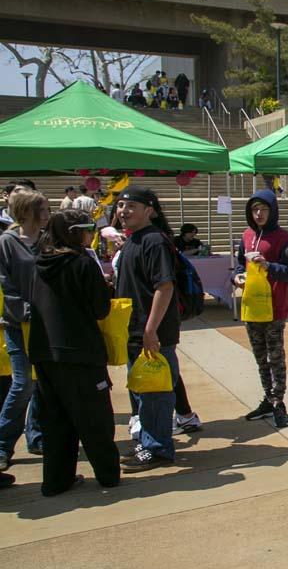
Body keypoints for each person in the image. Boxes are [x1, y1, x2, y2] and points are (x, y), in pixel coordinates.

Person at [27, 209, 119, 496]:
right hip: (81, 353)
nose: (90, 235)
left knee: (55, 420)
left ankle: (56, 481)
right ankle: (107, 475)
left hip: (44, 353)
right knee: (95, 419)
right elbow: (100, 308)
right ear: (74, 232)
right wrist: (105, 288)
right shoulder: (81, 262)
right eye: (86, 229)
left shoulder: (39, 261)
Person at [114, 186, 185, 471]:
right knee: (142, 390)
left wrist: (150, 330)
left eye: (131, 206)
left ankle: (158, 449)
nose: (123, 211)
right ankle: (147, 442)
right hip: (135, 331)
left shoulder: (154, 241)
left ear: (150, 211)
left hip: (152, 333)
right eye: (120, 205)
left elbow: (164, 287)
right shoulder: (133, 240)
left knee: (156, 393)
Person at [0, 188, 49, 470]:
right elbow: (5, 284)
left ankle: (37, 436)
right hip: (18, 323)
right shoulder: (7, 241)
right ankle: (3, 443)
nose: (47, 214)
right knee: (22, 384)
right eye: (42, 209)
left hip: (46, 324)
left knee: (41, 382)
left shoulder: (46, 239)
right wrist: (25, 311)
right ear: (27, 211)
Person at [236, 191, 288, 430]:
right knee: (260, 356)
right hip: (251, 306)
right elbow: (240, 264)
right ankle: (268, 398)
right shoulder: (247, 235)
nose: (258, 214)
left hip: (274, 307)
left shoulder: (283, 238)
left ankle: (279, 401)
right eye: (254, 209)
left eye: (263, 209)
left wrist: (268, 265)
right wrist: (236, 277)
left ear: (273, 210)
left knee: (275, 356)